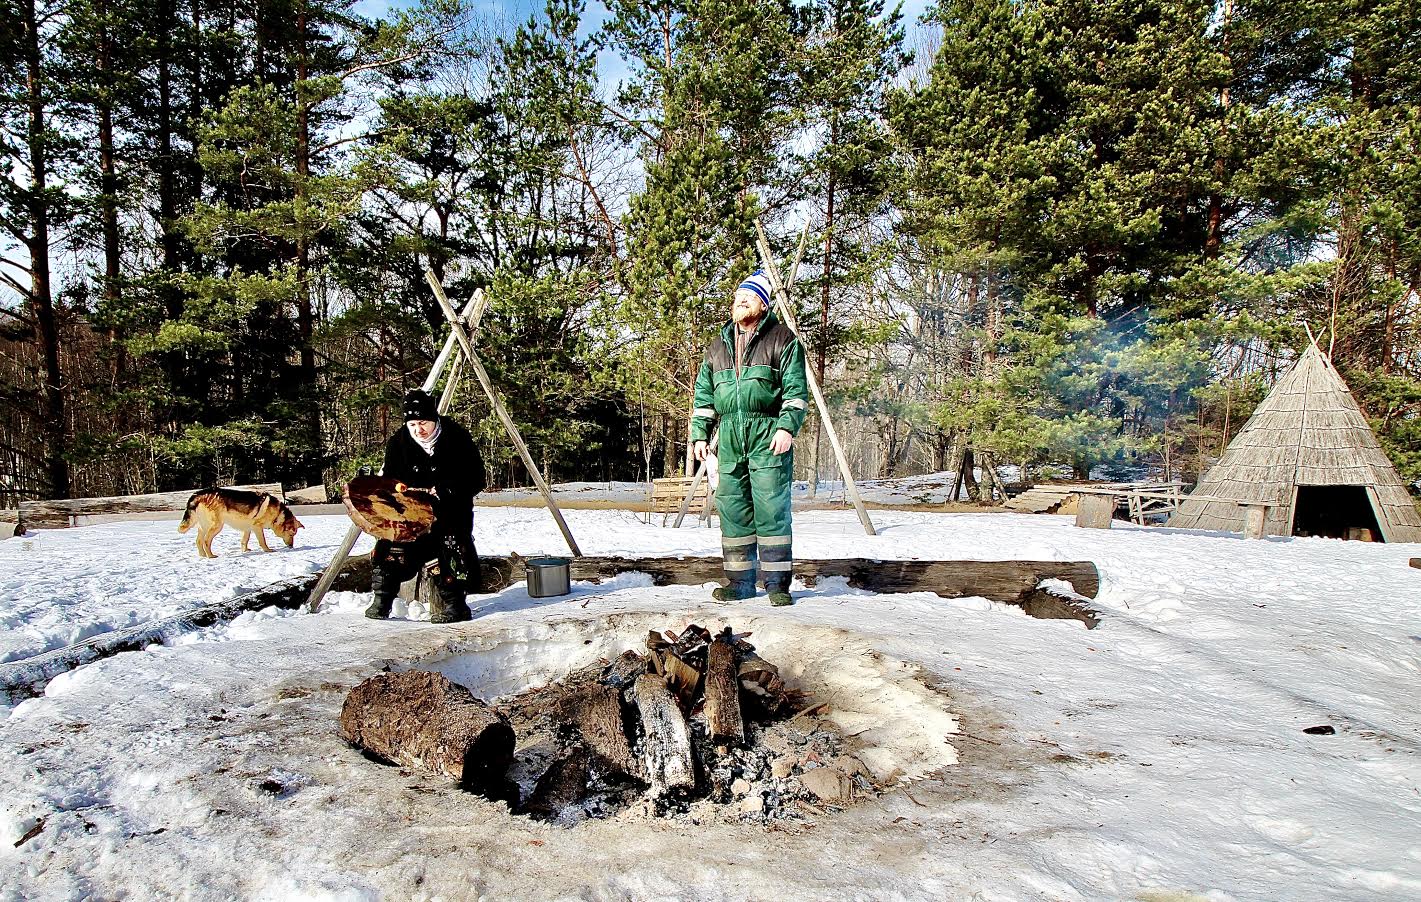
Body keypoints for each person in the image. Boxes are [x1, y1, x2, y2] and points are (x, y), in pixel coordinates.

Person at [690, 271, 809, 606]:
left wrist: (787, 427)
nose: (739, 301)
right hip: (728, 436)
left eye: (748, 296)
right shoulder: (718, 347)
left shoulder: (782, 339)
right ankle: (740, 582)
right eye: (737, 297)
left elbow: (796, 392)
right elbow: (704, 397)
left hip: (767, 432)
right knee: (732, 507)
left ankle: (776, 584)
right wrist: (700, 435)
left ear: (763, 304)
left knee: (771, 507)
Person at [366, 389, 486, 623]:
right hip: (411, 514)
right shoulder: (398, 443)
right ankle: (382, 599)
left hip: (451, 511)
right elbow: (390, 480)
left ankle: (456, 604)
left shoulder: (457, 438)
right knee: (389, 544)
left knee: (450, 547)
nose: (418, 430)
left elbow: (477, 477)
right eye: (412, 425)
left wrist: (447, 489)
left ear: (434, 420)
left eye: (423, 423)